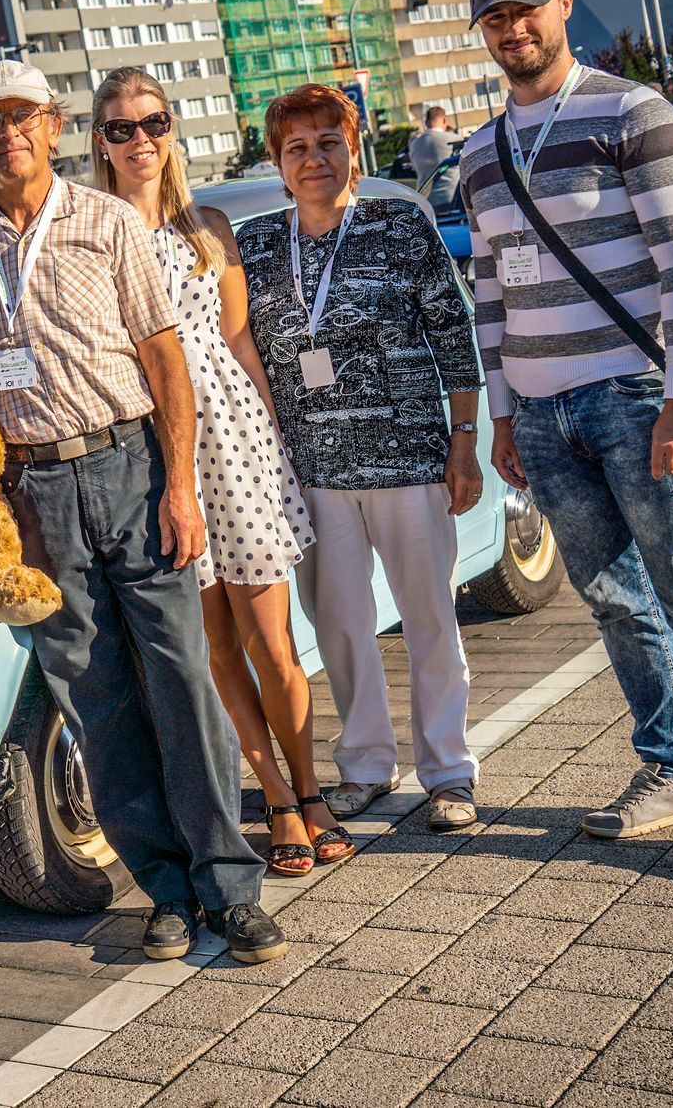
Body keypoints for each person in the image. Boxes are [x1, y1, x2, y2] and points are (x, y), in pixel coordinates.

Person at [0, 59, 282, 962]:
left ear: (55, 127)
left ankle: (229, 886)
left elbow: (165, 360)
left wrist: (181, 485)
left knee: (182, 680)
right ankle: (166, 889)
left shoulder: (108, 222)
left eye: (25, 116)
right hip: (35, 492)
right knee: (94, 697)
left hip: (130, 466)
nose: (10, 134)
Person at [460, 0, 673, 888]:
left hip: (643, 399)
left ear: (563, 6)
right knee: (613, 599)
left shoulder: (634, 113)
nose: (513, 29)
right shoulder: (482, 154)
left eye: (527, 10)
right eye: (494, 18)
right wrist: (507, 416)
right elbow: (491, 293)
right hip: (548, 413)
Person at [91, 67, 345, 877]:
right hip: (163, 456)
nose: (140, 141)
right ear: (99, 141)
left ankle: (311, 790)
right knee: (213, 647)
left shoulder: (209, 227)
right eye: (121, 128)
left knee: (273, 641)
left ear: (173, 132)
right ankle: (271, 795)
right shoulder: (94, 238)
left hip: (236, 445)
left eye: (153, 123)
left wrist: (278, 447)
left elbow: (238, 344)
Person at [237, 83, 486, 833]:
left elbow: (453, 334)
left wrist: (464, 441)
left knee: (428, 619)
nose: (315, 159)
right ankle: (368, 766)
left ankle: (448, 772)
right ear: (279, 164)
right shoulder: (252, 246)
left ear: (355, 150)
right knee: (341, 626)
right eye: (297, 148)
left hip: (409, 456)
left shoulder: (400, 225)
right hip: (309, 472)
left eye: (328, 142)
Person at [410, 106, 467, 187]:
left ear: (426, 123)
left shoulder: (414, 144)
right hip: (451, 195)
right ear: (444, 120)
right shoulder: (455, 139)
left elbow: (414, 168)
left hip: (424, 195)